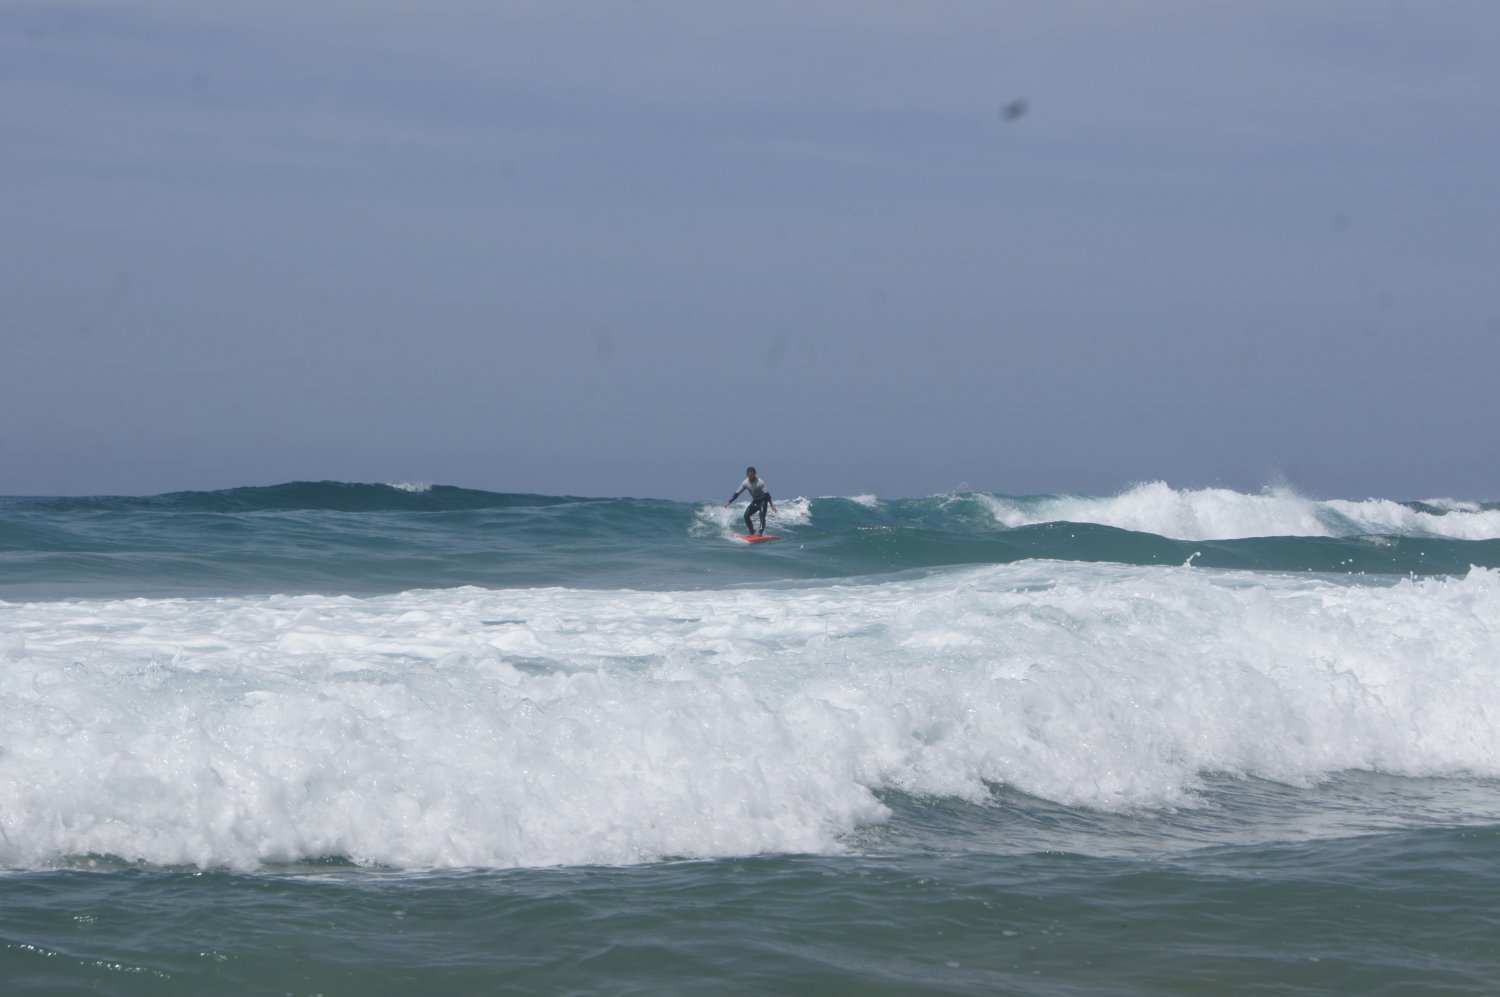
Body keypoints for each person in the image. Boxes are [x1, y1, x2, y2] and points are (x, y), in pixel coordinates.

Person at [725, 466, 777, 535]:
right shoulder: (745, 483)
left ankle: (760, 532)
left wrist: (771, 505)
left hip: (763, 501)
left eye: (753, 474)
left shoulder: (760, 482)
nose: (751, 476)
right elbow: (737, 493)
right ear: (747, 475)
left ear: (755, 474)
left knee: (761, 516)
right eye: (750, 475)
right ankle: (752, 531)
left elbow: (767, 495)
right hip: (755, 501)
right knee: (746, 515)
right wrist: (730, 501)